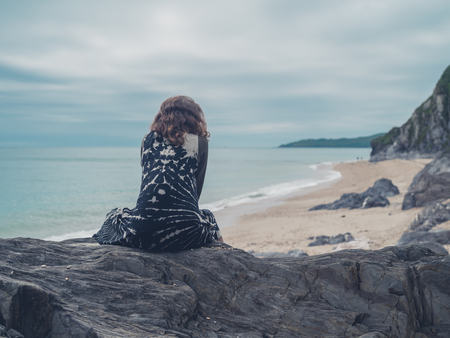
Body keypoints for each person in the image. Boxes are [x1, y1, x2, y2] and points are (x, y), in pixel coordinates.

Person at [93, 95, 223, 251]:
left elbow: (147, 183)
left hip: (142, 232)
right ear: (194, 117)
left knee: (115, 214)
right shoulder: (199, 142)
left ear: (162, 116)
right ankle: (225, 256)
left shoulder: (146, 140)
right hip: (187, 234)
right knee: (209, 217)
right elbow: (196, 191)